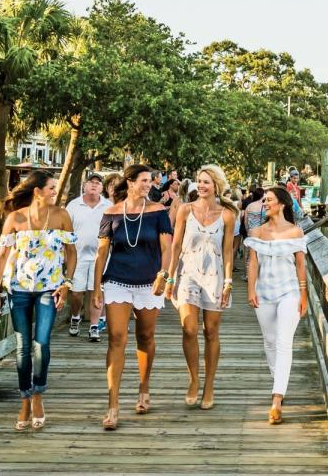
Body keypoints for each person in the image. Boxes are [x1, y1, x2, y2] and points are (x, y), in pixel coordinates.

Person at [0, 171, 77, 431]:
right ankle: (25, 398)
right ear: (37, 191)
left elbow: (71, 252)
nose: (54, 191)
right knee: (22, 346)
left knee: (42, 343)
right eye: (51, 187)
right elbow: (2, 256)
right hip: (19, 289)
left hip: (49, 289)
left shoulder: (61, 216)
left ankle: (38, 394)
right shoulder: (15, 218)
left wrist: (67, 283)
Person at [93, 164, 172, 430]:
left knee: (145, 336)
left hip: (150, 281)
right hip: (117, 280)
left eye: (150, 180)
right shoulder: (111, 213)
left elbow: (167, 247)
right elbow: (102, 253)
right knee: (116, 337)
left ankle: (144, 387)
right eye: (144, 180)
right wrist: (96, 288)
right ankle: (112, 405)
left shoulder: (158, 212)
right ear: (129, 182)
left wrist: (165, 274)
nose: (148, 184)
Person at [165, 165, 237, 410]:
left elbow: (228, 252)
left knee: (211, 332)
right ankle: (194, 379)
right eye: (199, 181)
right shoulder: (185, 210)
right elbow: (175, 247)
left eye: (206, 181)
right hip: (187, 274)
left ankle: (209, 385)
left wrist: (228, 282)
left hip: (215, 276)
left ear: (216, 185)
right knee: (189, 328)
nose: (201, 185)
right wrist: (169, 278)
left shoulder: (227, 214)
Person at [244, 186, 308, 424]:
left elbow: (300, 265)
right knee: (270, 342)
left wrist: (303, 296)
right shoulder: (257, 232)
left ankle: (277, 399)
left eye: (269, 200)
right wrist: (251, 290)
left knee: (283, 341)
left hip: (289, 291)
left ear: (282, 204)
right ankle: (278, 381)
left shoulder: (295, 232)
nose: (265, 204)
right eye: (264, 200)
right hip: (264, 292)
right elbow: (253, 264)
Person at [66, 173, 111, 340]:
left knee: (96, 291)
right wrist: (66, 255)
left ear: (102, 188)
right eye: (91, 182)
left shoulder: (108, 205)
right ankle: (75, 317)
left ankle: (94, 326)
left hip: (100, 256)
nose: (94, 185)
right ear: (84, 185)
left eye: (98, 183)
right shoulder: (73, 205)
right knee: (76, 293)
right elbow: (66, 231)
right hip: (77, 256)